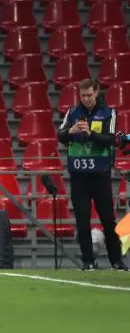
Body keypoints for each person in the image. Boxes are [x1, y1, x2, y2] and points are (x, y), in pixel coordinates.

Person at [57, 78, 127, 271]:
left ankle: (117, 261)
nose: (86, 99)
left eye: (89, 95)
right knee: (82, 219)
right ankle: (88, 261)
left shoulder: (108, 113)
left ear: (97, 92)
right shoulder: (72, 112)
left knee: (107, 219)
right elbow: (60, 136)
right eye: (83, 95)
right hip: (78, 175)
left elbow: (112, 139)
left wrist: (90, 134)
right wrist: (70, 131)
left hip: (100, 175)